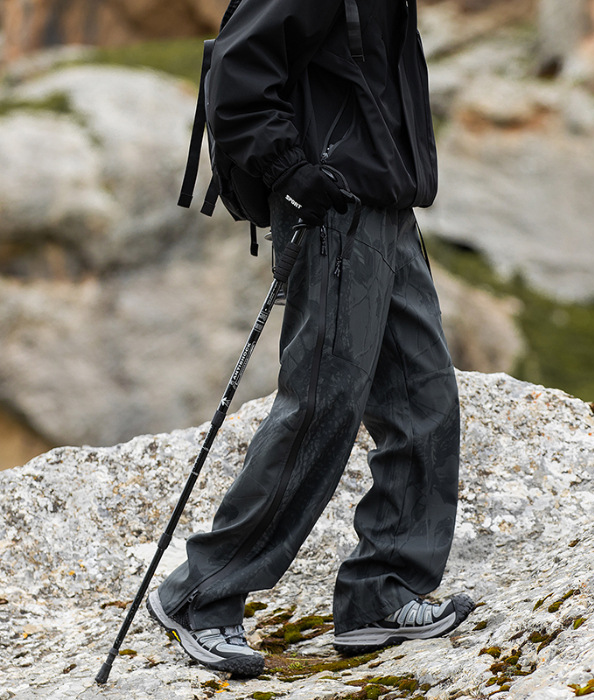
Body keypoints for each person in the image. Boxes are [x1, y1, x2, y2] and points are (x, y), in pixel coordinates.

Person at [146, 0, 474, 677]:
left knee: (426, 403)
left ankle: (382, 592)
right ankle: (200, 595)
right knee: (321, 407)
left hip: (385, 207)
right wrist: (292, 173)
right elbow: (236, 75)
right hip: (333, 213)